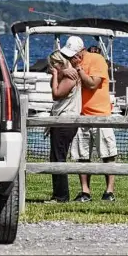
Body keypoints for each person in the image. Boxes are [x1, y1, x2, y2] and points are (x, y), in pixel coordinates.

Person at [60, 36, 118, 202]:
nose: (71, 58)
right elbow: (53, 65)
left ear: (81, 51)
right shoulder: (70, 62)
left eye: (73, 55)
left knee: (107, 154)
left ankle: (109, 191)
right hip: (81, 114)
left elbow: (93, 84)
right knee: (81, 154)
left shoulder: (97, 60)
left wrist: (78, 70)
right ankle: (85, 191)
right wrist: (63, 70)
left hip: (100, 114)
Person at [46, 50, 81, 202]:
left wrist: (56, 75)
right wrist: (58, 74)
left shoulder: (70, 77)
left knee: (58, 157)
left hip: (65, 121)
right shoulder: (65, 74)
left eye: (54, 64)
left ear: (59, 63)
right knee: (55, 157)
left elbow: (56, 93)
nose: (51, 67)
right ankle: (59, 193)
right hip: (60, 120)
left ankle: (61, 196)